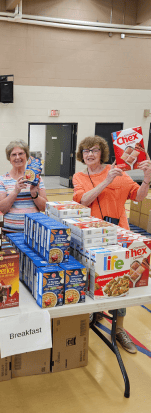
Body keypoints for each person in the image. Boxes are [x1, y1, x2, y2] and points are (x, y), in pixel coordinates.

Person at [73, 135, 151, 353]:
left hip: (118, 239)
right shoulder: (79, 176)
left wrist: (146, 178)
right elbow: (84, 199)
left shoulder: (121, 174)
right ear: (82, 154)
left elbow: (139, 197)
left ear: (102, 153)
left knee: (120, 283)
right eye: (86, 150)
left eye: (95, 150)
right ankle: (93, 312)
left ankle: (119, 329)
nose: (90, 154)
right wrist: (107, 180)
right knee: (91, 279)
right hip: (90, 239)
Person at [0, 140, 47, 232]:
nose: (17, 157)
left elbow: (44, 208)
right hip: (9, 232)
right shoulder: (2, 180)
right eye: (14, 154)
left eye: (21, 153)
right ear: (9, 158)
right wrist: (15, 192)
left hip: (33, 232)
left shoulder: (36, 178)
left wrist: (34, 194)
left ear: (26, 156)